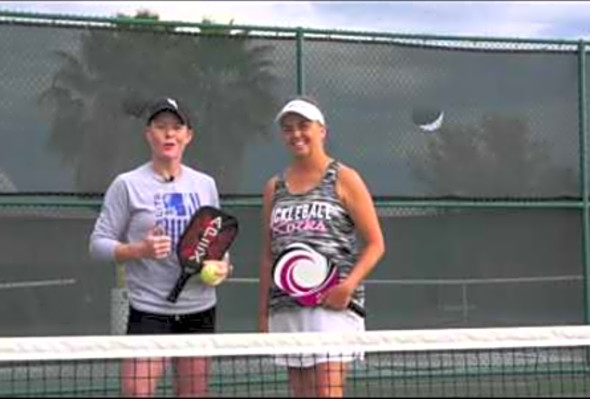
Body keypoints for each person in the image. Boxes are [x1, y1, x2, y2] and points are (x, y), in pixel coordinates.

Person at [89, 97, 231, 397]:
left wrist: (222, 266)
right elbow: (97, 246)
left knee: (193, 393)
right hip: (149, 311)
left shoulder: (205, 184)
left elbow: (216, 242)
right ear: (148, 134)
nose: (169, 134)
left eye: (177, 127)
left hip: (199, 310)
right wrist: (139, 250)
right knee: (136, 392)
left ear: (188, 136)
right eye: (161, 127)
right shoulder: (126, 184)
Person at [257, 97, 385, 397]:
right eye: (288, 129)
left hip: (333, 307)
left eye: (304, 126)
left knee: (327, 392)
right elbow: (267, 255)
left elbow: (376, 244)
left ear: (321, 130)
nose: (296, 134)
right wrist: (263, 314)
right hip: (286, 307)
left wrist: (348, 287)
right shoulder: (274, 187)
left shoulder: (344, 178)